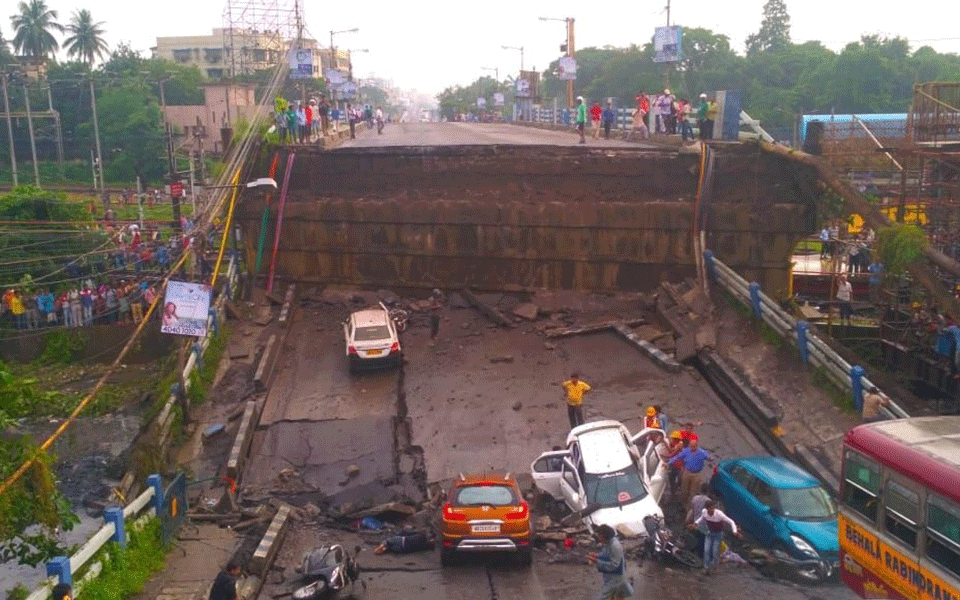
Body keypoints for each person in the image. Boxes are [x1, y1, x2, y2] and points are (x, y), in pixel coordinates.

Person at [692, 499, 742, 575]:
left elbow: (731, 521)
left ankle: (714, 567)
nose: (712, 510)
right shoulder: (704, 512)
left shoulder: (719, 514)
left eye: (713, 508)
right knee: (706, 550)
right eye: (710, 508)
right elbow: (701, 518)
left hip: (718, 534)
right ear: (707, 508)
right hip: (710, 533)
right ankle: (706, 568)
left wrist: (734, 531)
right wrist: (695, 523)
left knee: (715, 551)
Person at [588, 524, 632, 600]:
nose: (598, 537)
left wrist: (597, 561)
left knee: (603, 597)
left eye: (599, 535)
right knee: (617, 596)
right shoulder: (607, 543)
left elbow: (615, 565)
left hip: (616, 577)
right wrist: (597, 555)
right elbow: (605, 554)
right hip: (610, 576)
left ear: (604, 535)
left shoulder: (615, 545)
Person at [669, 438, 711, 508]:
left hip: (697, 474)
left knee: (693, 492)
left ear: (697, 446)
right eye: (691, 446)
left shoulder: (702, 453)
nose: (692, 448)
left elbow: (709, 457)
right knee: (684, 490)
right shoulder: (686, 451)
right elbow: (677, 457)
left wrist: (711, 459)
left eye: (693, 446)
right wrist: (669, 463)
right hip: (687, 472)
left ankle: (689, 507)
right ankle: (683, 504)